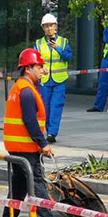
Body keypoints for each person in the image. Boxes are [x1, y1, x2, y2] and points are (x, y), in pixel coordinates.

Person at [3, 48, 64, 217]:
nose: (42, 70)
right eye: (39, 67)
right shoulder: (27, 91)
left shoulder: (20, 87)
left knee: (20, 182)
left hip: (16, 144)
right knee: (37, 180)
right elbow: (30, 121)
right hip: (25, 146)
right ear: (28, 68)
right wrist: (43, 143)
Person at [34, 13, 72, 144]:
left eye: (51, 25)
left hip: (59, 80)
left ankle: (52, 133)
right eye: (46, 26)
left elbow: (68, 56)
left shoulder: (63, 41)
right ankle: (47, 130)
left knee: (56, 106)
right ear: (43, 28)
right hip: (45, 80)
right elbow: (35, 60)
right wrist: (40, 67)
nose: (49, 28)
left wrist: (58, 49)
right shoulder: (38, 43)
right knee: (45, 107)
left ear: (55, 26)